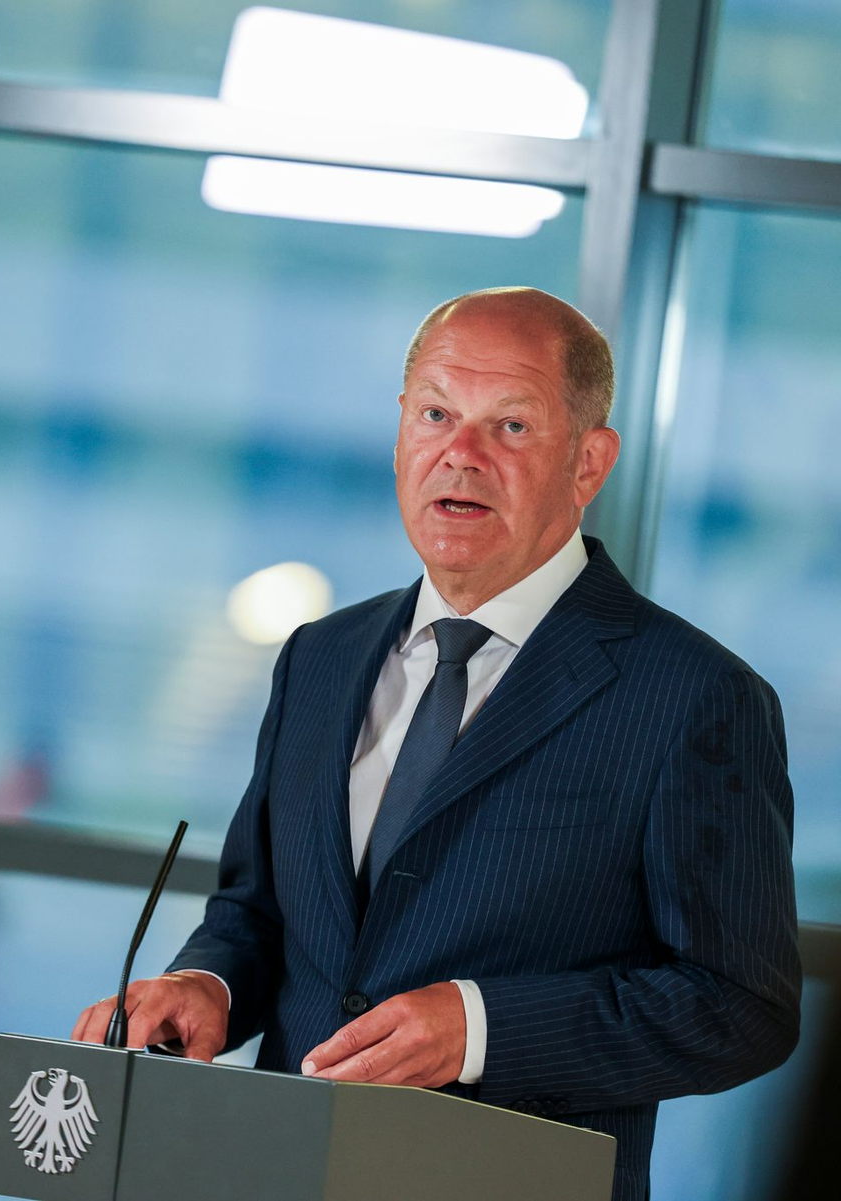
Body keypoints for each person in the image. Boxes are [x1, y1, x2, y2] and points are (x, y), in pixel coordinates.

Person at [73, 287, 801, 1201]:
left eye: (511, 426)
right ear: (398, 439)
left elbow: (742, 1005)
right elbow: (259, 911)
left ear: (589, 461)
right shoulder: (319, 657)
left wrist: (481, 1027)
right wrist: (208, 981)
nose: (461, 454)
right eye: (435, 414)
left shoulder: (696, 696)